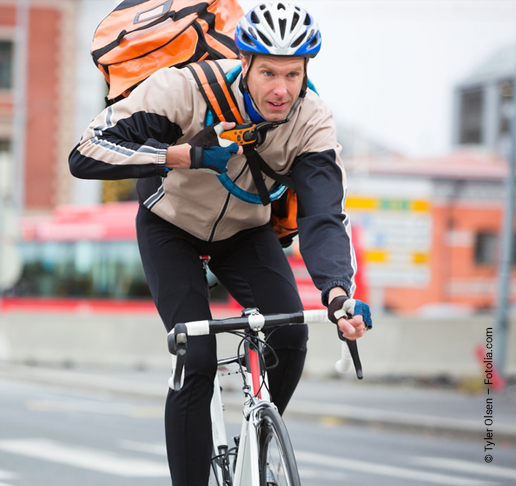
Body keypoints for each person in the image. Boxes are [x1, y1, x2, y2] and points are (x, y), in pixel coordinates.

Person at [69, 2, 371, 485]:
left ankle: (260, 440)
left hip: (244, 232)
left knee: (292, 336)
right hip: (170, 225)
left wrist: (338, 293)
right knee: (198, 357)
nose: (280, 89)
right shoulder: (187, 88)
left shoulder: (312, 120)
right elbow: (84, 155)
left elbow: (324, 215)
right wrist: (182, 154)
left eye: (293, 74)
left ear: (306, 72)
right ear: (245, 62)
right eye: (268, 71)